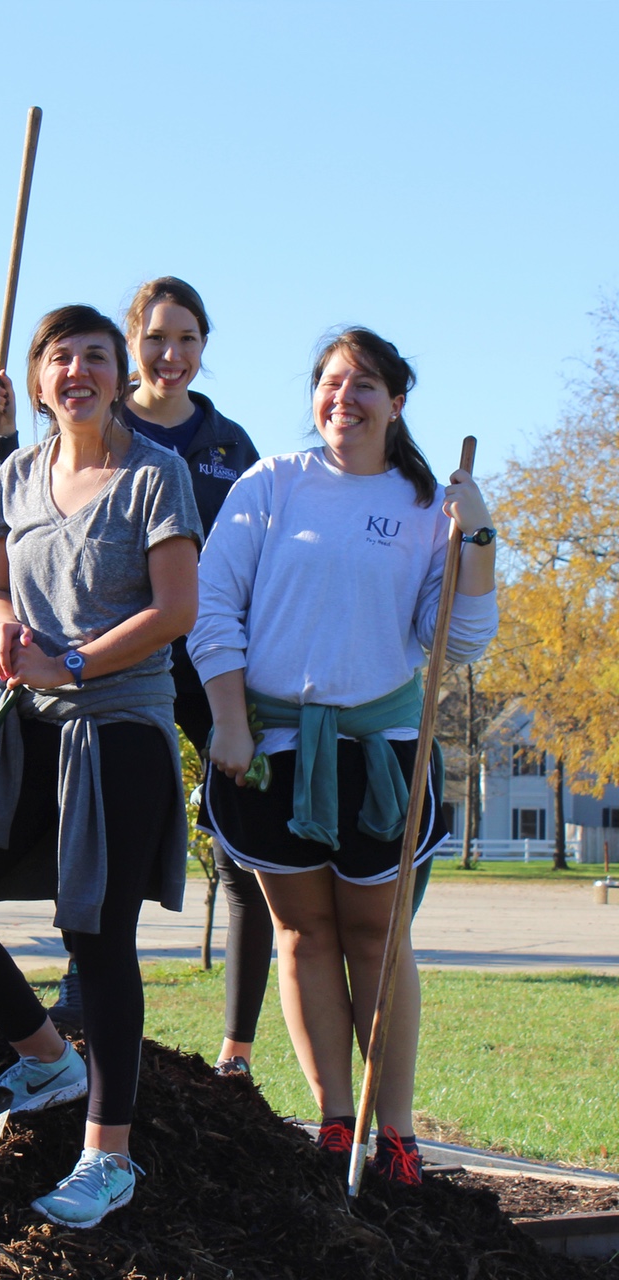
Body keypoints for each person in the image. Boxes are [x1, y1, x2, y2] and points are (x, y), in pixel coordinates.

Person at [0, 305, 201, 1228]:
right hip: (26, 722)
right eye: (60, 358)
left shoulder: (157, 474)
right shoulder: (17, 474)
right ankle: (46, 1057)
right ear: (36, 381)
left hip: (118, 727)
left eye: (96, 358)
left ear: (119, 376)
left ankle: (108, 1156)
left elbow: (176, 608)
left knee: (95, 938)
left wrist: (72, 661)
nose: (79, 371)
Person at [189, 328, 498, 1185]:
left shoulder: (427, 503)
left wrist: (478, 540)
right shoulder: (272, 485)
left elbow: (459, 639)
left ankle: (391, 1134)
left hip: (383, 755)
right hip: (271, 750)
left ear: (397, 402)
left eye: (365, 385)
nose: (344, 398)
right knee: (301, 934)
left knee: (377, 935)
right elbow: (215, 607)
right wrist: (230, 721)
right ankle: (333, 1119)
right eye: (330, 382)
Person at [0, 277, 271, 1078]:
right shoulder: (93, 414)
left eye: (188, 340)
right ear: (130, 350)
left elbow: (234, 576)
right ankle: (78, 993)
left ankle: (237, 1045)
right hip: (91, 667)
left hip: (197, 652)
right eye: (155, 339)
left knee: (242, 835)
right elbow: (25, 535)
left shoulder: (224, 447)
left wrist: (236, 699)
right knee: (88, 869)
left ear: (204, 349)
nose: (170, 355)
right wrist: (4, 432)